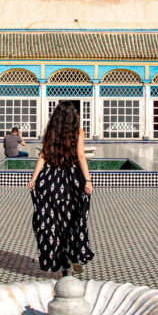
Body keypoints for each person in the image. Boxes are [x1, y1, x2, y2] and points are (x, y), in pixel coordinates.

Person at [27, 102, 94, 274]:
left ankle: (60, 257)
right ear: (73, 116)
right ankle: (71, 254)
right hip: (71, 180)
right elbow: (80, 157)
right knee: (73, 218)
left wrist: (34, 179)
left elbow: (43, 155)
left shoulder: (51, 132)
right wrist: (87, 180)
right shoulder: (78, 132)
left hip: (51, 180)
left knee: (52, 219)